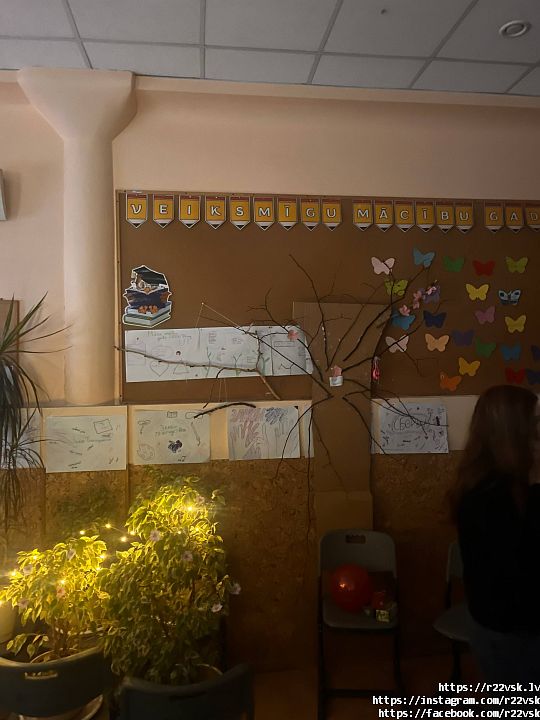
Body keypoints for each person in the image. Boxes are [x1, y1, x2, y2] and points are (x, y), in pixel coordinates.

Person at [451, 384, 540, 682]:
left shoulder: (510, 484)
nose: (538, 432)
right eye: (534, 423)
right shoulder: (487, 496)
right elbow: (523, 566)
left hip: (510, 626)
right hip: (509, 632)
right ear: (513, 433)